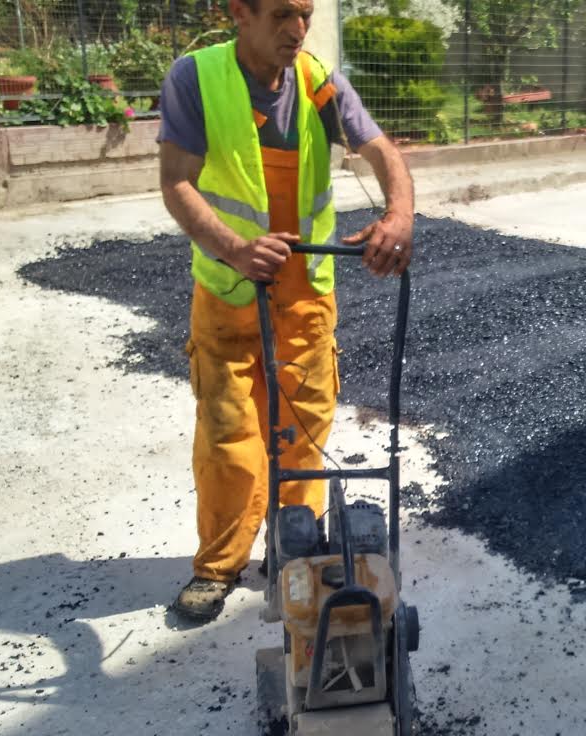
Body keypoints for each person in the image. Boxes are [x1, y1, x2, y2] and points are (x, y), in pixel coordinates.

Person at [157, 0, 415, 621]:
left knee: (304, 429)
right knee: (229, 435)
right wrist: (235, 248)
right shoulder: (197, 78)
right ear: (239, 13)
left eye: (304, 14)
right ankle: (217, 566)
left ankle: (293, 546)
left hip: (305, 290)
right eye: (281, 15)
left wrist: (400, 214)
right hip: (228, 290)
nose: (298, 30)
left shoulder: (317, 82)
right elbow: (177, 182)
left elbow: (381, 150)